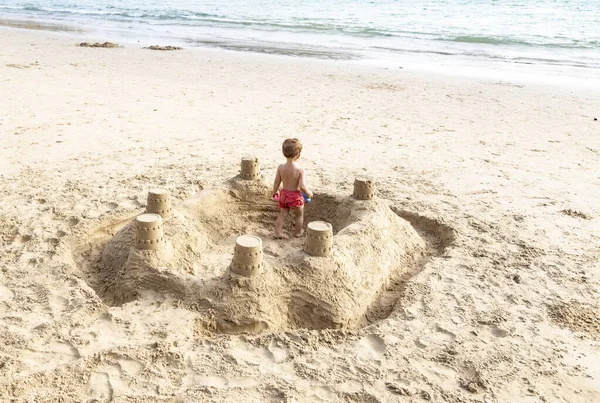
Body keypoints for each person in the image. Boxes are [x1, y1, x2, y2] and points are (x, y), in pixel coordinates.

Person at [272, 138, 313, 238]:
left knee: (283, 214)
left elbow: (277, 181)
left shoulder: (281, 167)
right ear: (298, 155)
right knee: (299, 215)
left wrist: (275, 192)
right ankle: (298, 232)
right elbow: (302, 186)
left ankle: (278, 232)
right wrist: (308, 193)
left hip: (284, 195)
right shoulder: (300, 170)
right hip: (295, 196)